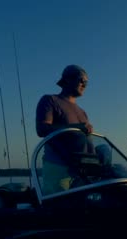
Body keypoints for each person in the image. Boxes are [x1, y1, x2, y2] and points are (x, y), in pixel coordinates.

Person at [35, 65, 95, 194]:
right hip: (58, 167)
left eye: (87, 82)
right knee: (56, 209)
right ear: (67, 80)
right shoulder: (50, 100)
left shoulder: (82, 112)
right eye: (82, 80)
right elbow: (42, 129)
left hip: (81, 171)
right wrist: (76, 127)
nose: (85, 84)